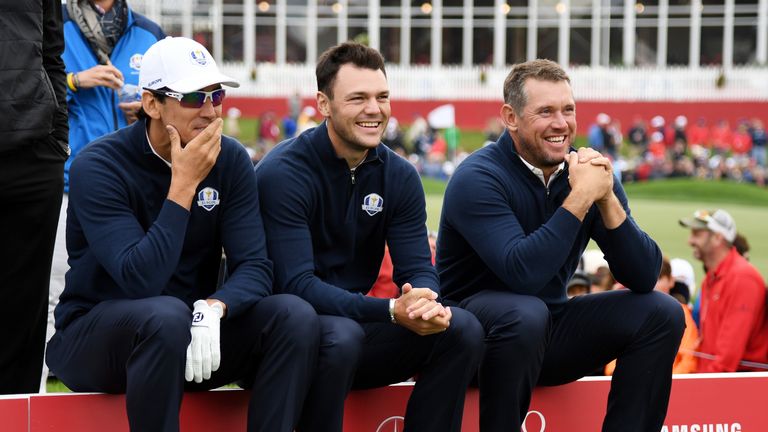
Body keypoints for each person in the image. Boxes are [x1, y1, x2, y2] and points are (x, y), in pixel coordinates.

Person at [46, 37, 319, 431]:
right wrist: (183, 186)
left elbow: (257, 267)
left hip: (191, 332)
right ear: (152, 104)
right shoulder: (99, 166)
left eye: (216, 94)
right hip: (96, 338)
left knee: (294, 315)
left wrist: (216, 306)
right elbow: (140, 279)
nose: (210, 111)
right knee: (165, 314)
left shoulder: (230, 159)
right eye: (193, 97)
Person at [436, 59, 685, 432]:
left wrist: (606, 198)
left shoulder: (587, 173)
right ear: (511, 117)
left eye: (568, 110)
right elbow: (523, 274)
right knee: (525, 312)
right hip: (472, 343)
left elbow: (644, 275)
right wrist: (581, 198)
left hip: (546, 332)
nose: (561, 123)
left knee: (662, 312)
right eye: (546, 111)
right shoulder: (478, 176)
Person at [255, 42, 483, 432]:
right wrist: (390, 311)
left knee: (461, 329)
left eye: (382, 97)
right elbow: (297, 285)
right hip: (290, 336)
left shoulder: (399, 174)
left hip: (359, 327)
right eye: (358, 98)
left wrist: (424, 301)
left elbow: (417, 266)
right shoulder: (284, 172)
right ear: (324, 105)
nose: (374, 109)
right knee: (339, 336)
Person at [43, 0, 166, 391]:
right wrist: (77, 81)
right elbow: (25, 85)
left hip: (135, 181)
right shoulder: (54, 22)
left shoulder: (148, 32)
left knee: (132, 280)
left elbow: (168, 95)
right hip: (69, 177)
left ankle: (124, 365)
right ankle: (43, 381)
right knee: (55, 285)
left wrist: (146, 112)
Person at [0, 0, 69, 394]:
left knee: (24, 316)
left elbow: (52, 53)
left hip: (35, 155)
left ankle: (15, 413)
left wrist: (58, 139)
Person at [679, 209, 768, 372]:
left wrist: (702, 390)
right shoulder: (712, 278)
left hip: (741, 388)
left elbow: (727, 359)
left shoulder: (742, 278)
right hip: (719, 381)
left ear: (718, 237)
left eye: (697, 234)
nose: (690, 241)